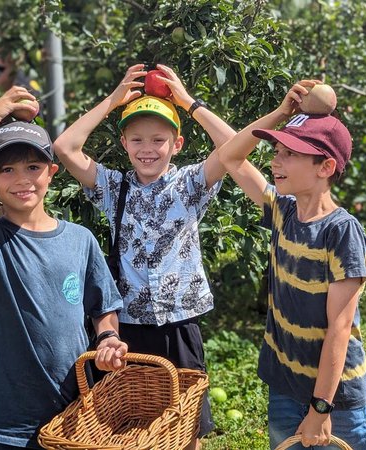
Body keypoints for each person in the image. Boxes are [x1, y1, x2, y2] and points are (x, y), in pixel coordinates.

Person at [0, 86, 128, 449]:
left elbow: (103, 307)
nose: (22, 179)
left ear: (51, 172)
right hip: (8, 418)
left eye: (33, 167)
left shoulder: (80, 240)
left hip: (75, 410)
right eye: (7, 169)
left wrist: (108, 339)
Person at [52, 64, 236, 450]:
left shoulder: (190, 184)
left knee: (186, 424)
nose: (147, 148)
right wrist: (113, 100)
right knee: (129, 424)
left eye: (158, 139)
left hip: (178, 323)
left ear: (177, 144)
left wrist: (188, 102)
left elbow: (235, 147)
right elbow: (65, 148)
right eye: (137, 139)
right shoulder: (113, 188)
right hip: (128, 326)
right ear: (124, 143)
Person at [217, 80, 366, 450]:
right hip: (286, 386)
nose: (275, 161)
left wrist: (321, 408)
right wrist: (281, 114)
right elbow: (230, 158)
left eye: (290, 153)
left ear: (326, 166)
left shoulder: (341, 232)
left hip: (336, 398)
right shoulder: (283, 211)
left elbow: (339, 328)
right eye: (277, 150)